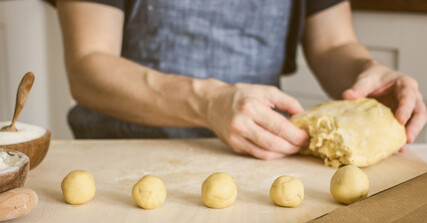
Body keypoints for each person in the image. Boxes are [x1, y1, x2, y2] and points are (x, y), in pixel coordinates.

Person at [51, 0, 426, 160]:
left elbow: (334, 44)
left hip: (258, 163)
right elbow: (88, 65)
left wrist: (368, 72)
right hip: (122, 154)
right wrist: (208, 101)